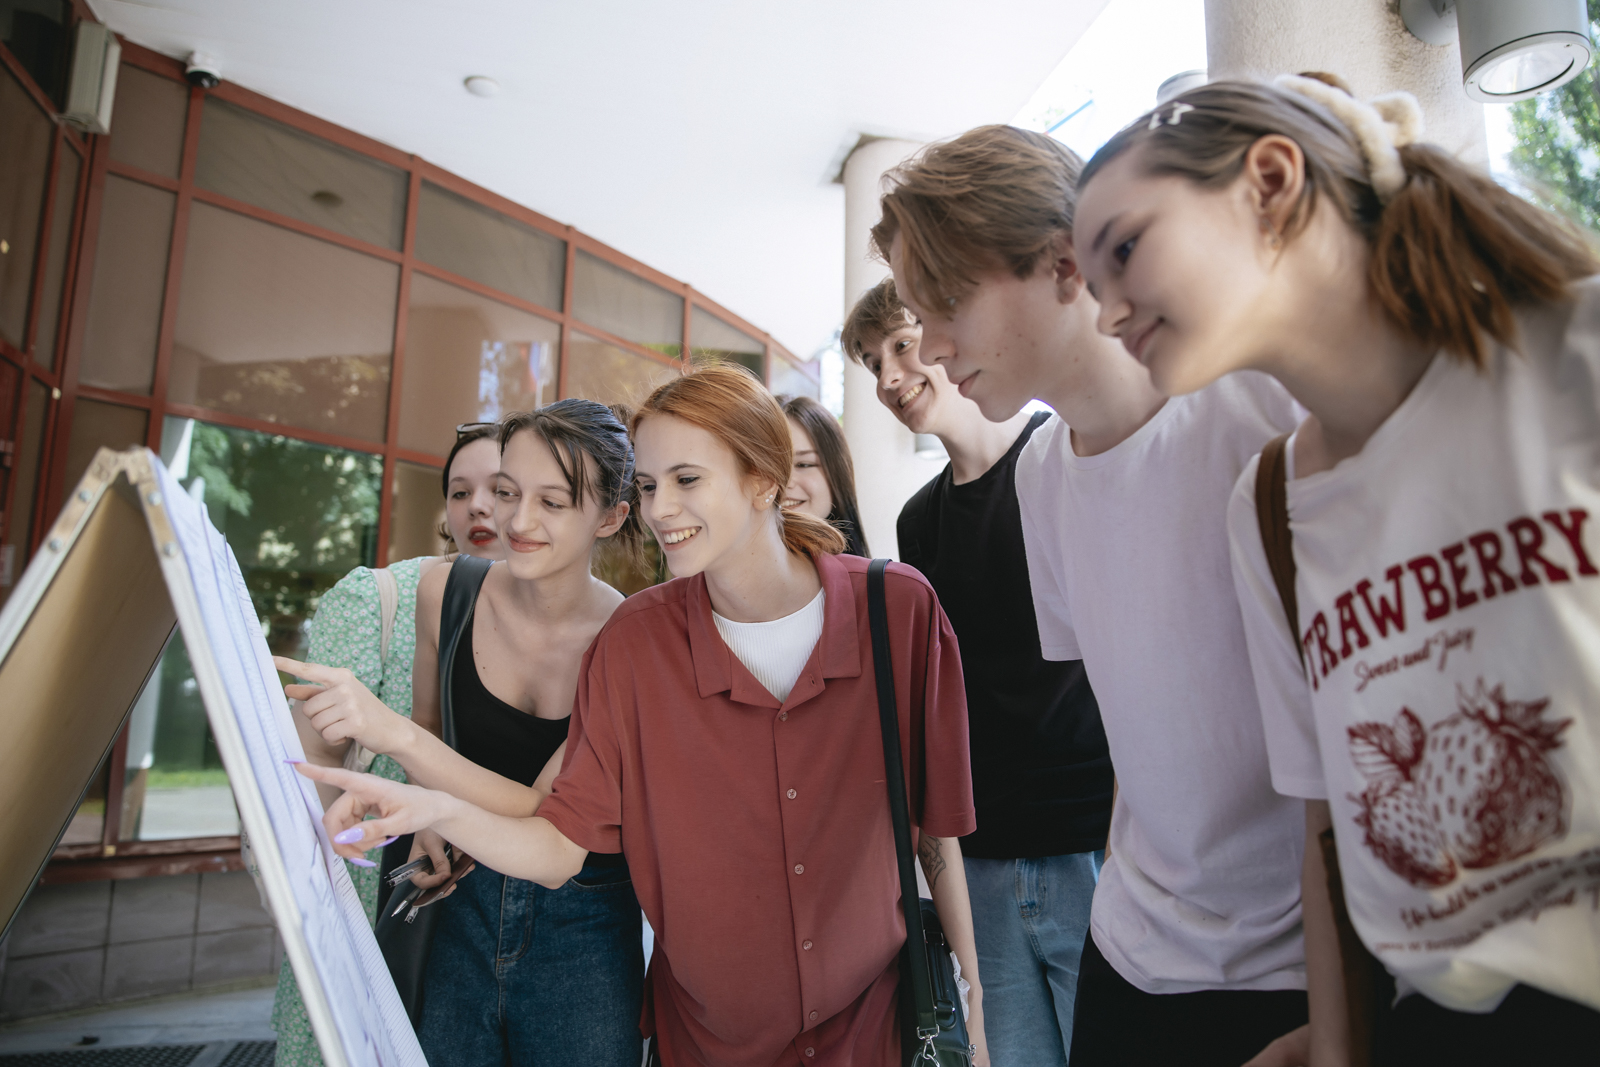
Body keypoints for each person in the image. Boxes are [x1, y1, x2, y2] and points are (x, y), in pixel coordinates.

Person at [1073, 74, 1600, 1065]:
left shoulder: (1575, 354)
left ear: (1270, 180)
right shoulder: (1266, 502)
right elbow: (1328, 821)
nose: (1107, 313)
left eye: (1126, 249)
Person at [295, 364, 990, 1067]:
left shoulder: (897, 611)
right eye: (651, 485)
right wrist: (425, 806)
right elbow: (559, 841)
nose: (661, 510)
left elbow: (935, 833)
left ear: (763, 478)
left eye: (687, 480)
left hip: (874, 1033)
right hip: (707, 1046)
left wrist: (977, 999)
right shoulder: (633, 643)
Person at [871, 124, 1308, 1067]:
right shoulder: (1040, 480)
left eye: (946, 302)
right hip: (1133, 950)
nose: (935, 348)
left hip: (1291, 965)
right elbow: (1125, 727)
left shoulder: (1258, 412)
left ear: (1063, 262)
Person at [277, 401, 647, 1067]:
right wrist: (427, 816)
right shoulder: (443, 594)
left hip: (584, 919)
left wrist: (389, 739)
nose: (517, 521)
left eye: (553, 502)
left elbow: (551, 813)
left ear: (612, 516)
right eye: (507, 492)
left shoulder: (630, 640)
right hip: (457, 904)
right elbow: (430, 722)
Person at [841, 276, 1112, 1066]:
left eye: (899, 345)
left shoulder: (1062, 453)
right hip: (985, 859)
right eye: (868, 361)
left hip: (1090, 843)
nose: (889, 376)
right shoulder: (918, 521)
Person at [272, 424, 505, 1067]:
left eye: (501, 488)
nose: (478, 505)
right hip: (379, 893)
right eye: (460, 492)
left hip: (505, 913)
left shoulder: (577, 617)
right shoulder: (380, 597)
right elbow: (313, 760)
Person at [777, 393, 870, 555]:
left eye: (804, 464)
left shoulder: (875, 578)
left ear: (837, 472)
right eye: (772, 467)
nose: (786, 482)